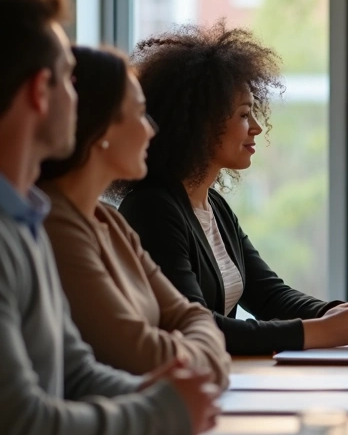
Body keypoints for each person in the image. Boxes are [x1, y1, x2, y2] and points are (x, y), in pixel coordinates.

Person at [0, 0, 216, 435]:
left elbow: (75, 374)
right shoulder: (29, 228)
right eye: (68, 80)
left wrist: (163, 395)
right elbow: (19, 429)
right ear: (40, 92)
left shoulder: (24, 221)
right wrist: (160, 411)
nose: (77, 102)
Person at [115, 22, 348, 355]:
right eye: (243, 114)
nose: (256, 127)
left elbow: (269, 296)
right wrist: (323, 331)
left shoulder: (214, 206)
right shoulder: (152, 210)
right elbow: (200, 329)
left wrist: (339, 314)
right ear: (197, 123)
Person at [39, 45, 231, 386]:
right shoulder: (56, 227)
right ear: (102, 131)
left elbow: (192, 315)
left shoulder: (109, 222)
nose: (152, 130)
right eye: (141, 114)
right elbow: (141, 356)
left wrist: (198, 356)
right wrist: (205, 359)